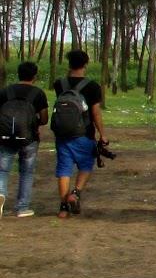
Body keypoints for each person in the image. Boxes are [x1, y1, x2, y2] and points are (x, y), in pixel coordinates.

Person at [52, 49, 107, 219]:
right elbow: (96, 112)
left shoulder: (59, 84)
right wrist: (102, 133)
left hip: (62, 133)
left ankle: (63, 207)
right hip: (84, 133)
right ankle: (75, 193)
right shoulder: (92, 86)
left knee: (64, 169)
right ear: (85, 64)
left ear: (69, 64)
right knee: (85, 166)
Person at [0, 61, 50, 217]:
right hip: (29, 137)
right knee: (26, 172)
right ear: (34, 76)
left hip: (5, 136)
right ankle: (22, 207)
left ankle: (0, 193)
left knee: (2, 169)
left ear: (18, 74)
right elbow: (44, 119)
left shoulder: (6, 91)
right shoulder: (38, 93)